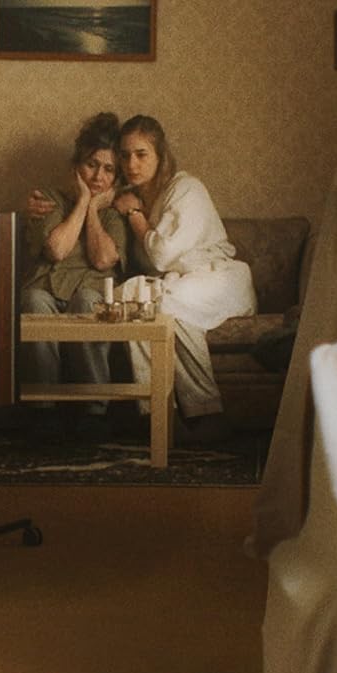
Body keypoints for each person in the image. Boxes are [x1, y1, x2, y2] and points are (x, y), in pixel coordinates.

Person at [113, 114, 256, 445]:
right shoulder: (135, 194)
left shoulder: (186, 188)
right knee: (131, 300)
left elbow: (162, 255)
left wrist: (134, 215)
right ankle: (158, 414)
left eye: (141, 154)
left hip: (219, 279)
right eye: (125, 155)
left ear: (160, 154)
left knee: (162, 304)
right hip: (179, 284)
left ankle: (207, 413)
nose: (131, 164)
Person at [20, 111, 127, 437]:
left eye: (108, 169)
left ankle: (94, 411)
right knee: (34, 301)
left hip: (89, 291)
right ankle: (43, 411)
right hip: (46, 290)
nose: (98, 176)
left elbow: (103, 259)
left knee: (88, 302)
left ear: (116, 177)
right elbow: (57, 251)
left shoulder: (114, 213)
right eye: (92, 164)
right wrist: (83, 201)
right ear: (77, 166)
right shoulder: (49, 200)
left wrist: (94, 210)